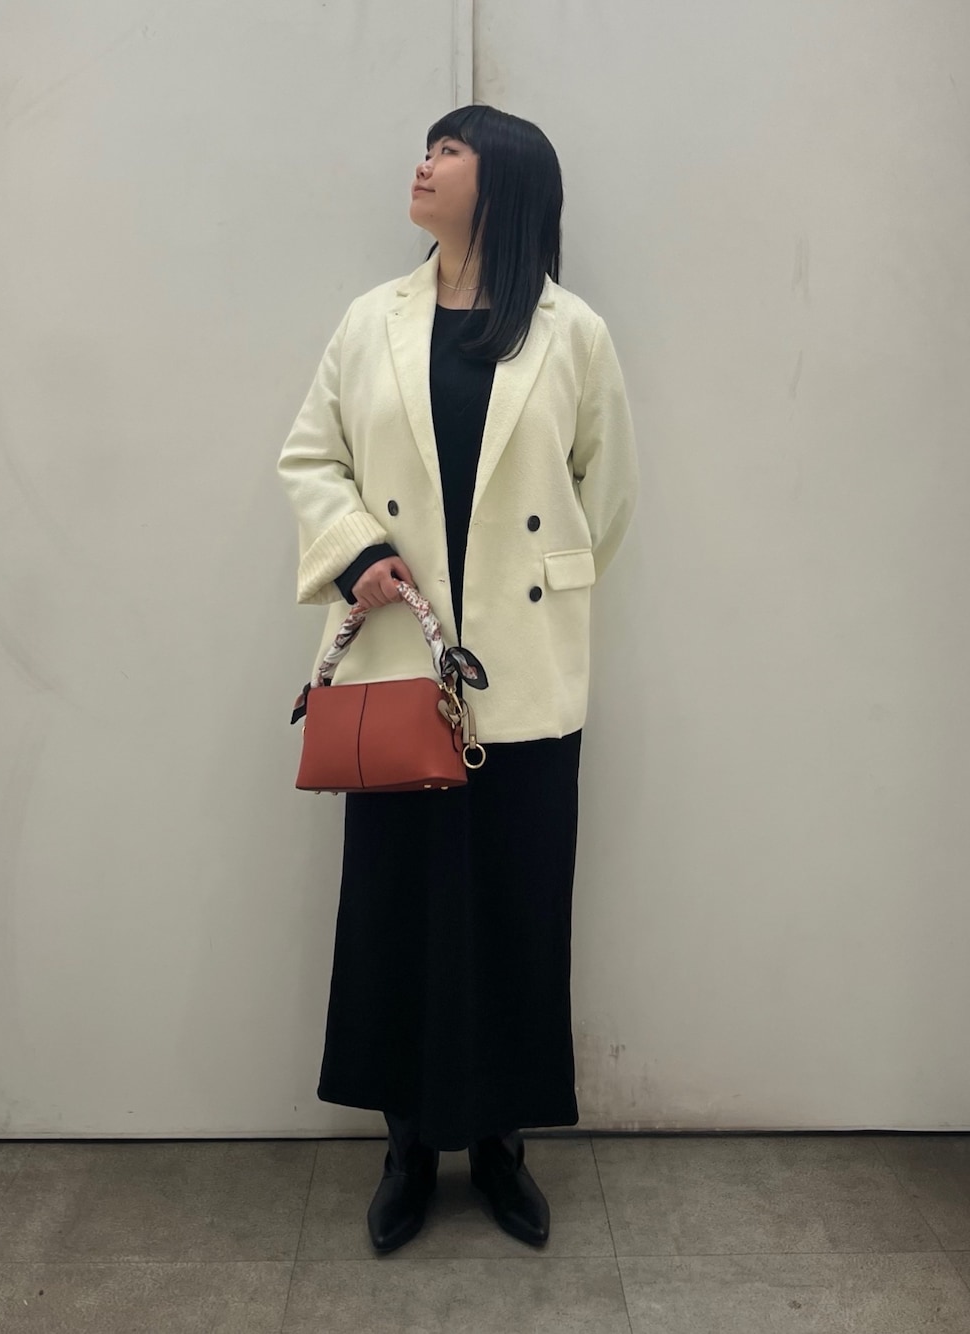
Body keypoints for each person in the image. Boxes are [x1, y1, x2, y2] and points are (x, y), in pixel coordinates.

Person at [276, 104, 638, 1255]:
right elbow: (310, 455)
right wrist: (356, 553)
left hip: (523, 677)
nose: (422, 165)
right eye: (427, 148)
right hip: (398, 669)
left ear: (506, 179)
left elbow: (606, 494)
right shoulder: (369, 320)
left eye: (448, 150)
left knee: (516, 911)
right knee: (397, 912)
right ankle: (405, 1146)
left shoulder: (572, 332)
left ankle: (499, 1144)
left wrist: (534, 593)